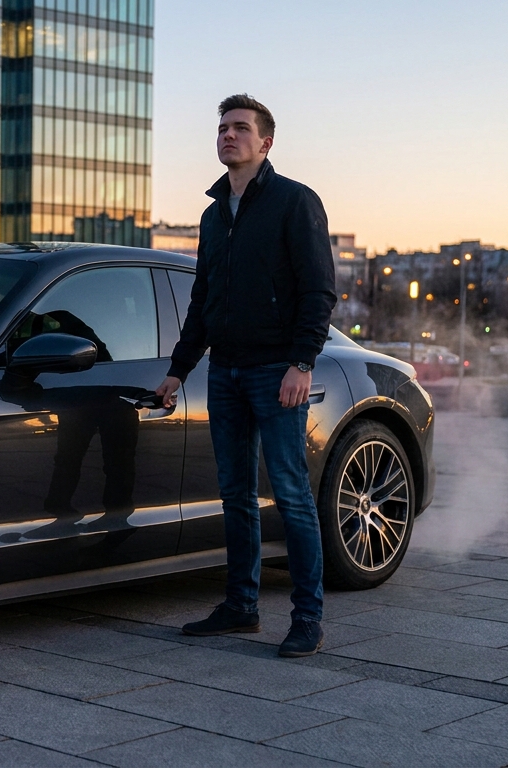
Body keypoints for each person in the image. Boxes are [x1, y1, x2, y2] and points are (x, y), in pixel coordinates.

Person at [154, 94, 336, 657]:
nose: (228, 136)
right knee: (234, 495)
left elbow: (318, 291)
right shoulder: (213, 216)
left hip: (275, 372)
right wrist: (179, 370)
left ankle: (307, 617)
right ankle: (242, 606)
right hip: (225, 373)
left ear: (266, 142)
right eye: (223, 129)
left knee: (291, 494)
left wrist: (301, 363)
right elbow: (203, 299)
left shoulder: (294, 201)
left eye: (240, 128)